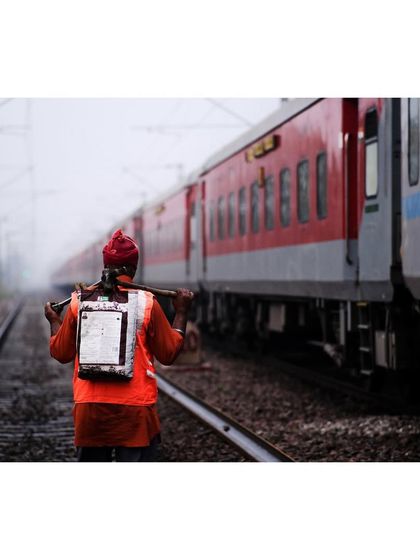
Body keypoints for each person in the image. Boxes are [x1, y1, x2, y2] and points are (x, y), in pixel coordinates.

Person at [44, 228, 193, 462]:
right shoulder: (147, 303)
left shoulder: (78, 302)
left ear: (105, 264)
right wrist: (181, 312)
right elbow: (169, 353)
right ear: (134, 267)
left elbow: (61, 354)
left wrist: (55, 321)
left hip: (89, 411)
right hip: (135, 411)